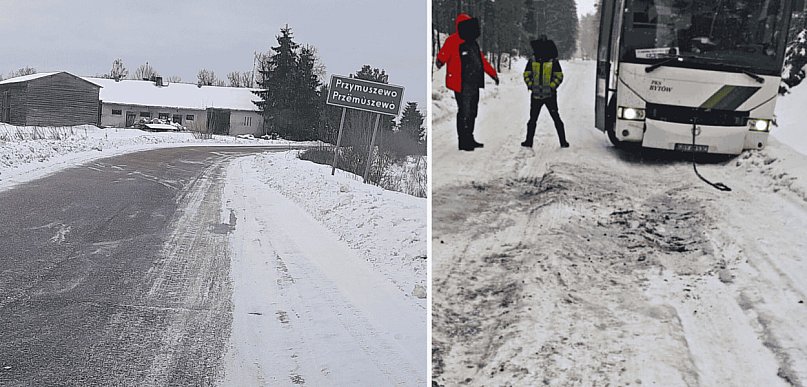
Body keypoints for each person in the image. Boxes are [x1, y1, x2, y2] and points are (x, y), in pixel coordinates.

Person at [436, 13, 499, 151]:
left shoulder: (472, 42)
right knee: (464, 112)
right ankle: (463, 141)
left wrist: (493, 74)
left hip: (473, 82)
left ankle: (469, 138)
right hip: (461, 83)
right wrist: (440, 61)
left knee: (472, 111)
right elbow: (442, 56)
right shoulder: (453, 41)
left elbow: (481, 61)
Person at [522, 36, 569, 148]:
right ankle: (529, 141)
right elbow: (526, 74)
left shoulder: (552, 61)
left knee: (554, 118)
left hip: (548, 95)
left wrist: (551, 87)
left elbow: (559, 76)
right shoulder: (534, 60)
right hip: (539, 95)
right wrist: (531, 85)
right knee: (534, 120)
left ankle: (563, 141)